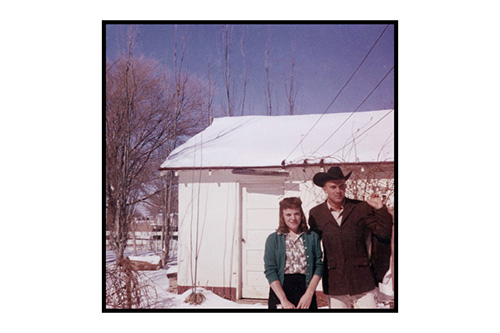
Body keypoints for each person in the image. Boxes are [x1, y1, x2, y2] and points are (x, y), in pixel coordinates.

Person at [309, 166, 393, 309]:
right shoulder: (316, 214)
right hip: (335, 282)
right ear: (325, 189)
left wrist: (380, 209)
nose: (338, 190)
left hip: (363, 280)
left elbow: (384, 232)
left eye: (342, 186)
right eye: (333, 187)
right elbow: (312, 245)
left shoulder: (360, 208)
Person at [264, 197, 324, 309]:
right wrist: (283, 300)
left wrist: (309, 294)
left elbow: (319, 266)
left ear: (301, 215)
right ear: (282, 216)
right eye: (288, 215)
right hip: (281, 290)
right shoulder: (273, 239)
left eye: (296, 214)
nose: (293, 218)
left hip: (305, 290)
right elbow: (270, 270)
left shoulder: (312, 237)